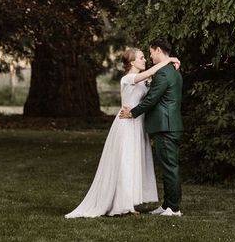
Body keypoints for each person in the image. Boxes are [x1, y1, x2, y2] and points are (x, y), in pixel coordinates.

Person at [65, 47, 180, 218]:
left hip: (137, 124)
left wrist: (170, 61)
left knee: (135, 162)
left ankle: (130, 202)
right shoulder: (128, 79)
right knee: (125, 162)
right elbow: (149, 72)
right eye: (141, 58)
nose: (145, 60)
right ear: (132, 62)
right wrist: (169, 60)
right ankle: (122, 204)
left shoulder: (141, 80)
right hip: (126, 124)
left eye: (144, 57)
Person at [119, 37, 183, 217]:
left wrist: (132, 112)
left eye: (150, 53)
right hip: (169, 125)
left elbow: (151, 98)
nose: (149, 57)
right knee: (167, 166)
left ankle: (174, 208)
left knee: (170, 167)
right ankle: (167, 204)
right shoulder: (172, 71)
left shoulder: (163, 73)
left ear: (158, 50)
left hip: (166, 126)